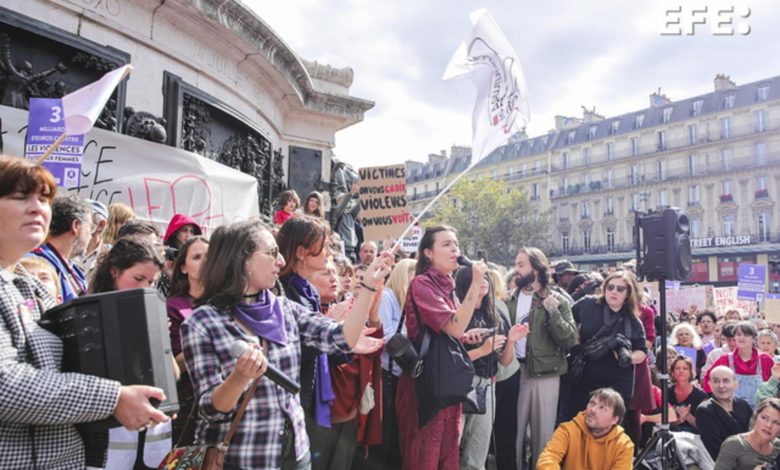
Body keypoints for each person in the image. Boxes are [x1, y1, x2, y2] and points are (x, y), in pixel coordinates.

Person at [0, 155, 168, 468]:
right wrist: (114, 397)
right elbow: (6, 386)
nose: (37, 208)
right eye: (20, 197)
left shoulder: (27, 282)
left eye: (44, 198)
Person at [181, 219, 390, 469]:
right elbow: (211, 410)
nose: (281, 261)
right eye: (271, 253)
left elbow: (341, 338)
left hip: (296, 453)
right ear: (241, 258)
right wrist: (239, 377)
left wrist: (368, 287)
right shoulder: (202, 323)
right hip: (244, 458)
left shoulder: (284, 308)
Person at [277, 215, 384, 470]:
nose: (329, 251)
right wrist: (332, 330)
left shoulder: (307, 292)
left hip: (314, 402)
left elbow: (330, 346)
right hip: (294, 405)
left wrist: (347, 341)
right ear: (302, 253)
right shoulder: (284, 291)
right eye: (323, 246)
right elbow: (292, 349)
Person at [395, 225, 488, 470]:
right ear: (428, 253)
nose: (454, 249)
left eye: (456, 244)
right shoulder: (422, 284)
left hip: (446, 385)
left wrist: (465, 336)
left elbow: (451, 333)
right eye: (446, 244)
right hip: (426, 388)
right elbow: (453, 326)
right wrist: (476, 284)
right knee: (424, 458)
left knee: (448, 457)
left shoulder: (448, 285)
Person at [85, 237, 172, 469]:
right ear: (114, 272)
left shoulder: (155, 313)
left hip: (150, 445)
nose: (145, 287)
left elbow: (173, 376)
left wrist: (161, 338)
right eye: (138, 278)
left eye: (152, 282)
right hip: (106, 446)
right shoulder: (88, 315)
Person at [509, 247, 578, 469]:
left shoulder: (557, 300)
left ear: (536, 268)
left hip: (545, 375)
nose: (516, 270)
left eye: (521, 265)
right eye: (516, 265)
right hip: (512, 372)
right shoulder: (510, 298)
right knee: (513, 436)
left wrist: (553, 312)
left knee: (543, 436)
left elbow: (569, 339)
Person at [455, 266, 528, 470]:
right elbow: (448, 360)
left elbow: (504, 362)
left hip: (487, 385)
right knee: (451, 449)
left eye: (486, 276)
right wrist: (481, 350)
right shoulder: (455, 311)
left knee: (478, 453)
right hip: (458, 385)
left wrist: (512, 341)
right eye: (477, 277)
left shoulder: (494, 313)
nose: (484, 280)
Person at [357, 259, 416, 470]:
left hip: (402, 377)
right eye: (414, 276)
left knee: (397, 437)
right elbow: (386, 336)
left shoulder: (410, 301)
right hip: (385, 376)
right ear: (403, 275)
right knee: (384, 436)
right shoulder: (389, 297)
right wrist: (415, 351)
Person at [567, 271, 648, 420]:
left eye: (620, 289)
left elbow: (642, 352)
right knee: (577, 425)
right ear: (604, 289)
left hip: (616, 383)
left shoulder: (633, 321)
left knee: (608, 429)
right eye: (610, 287)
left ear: (628, 293)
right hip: (584, 378)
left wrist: (628, 357)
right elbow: (568, 319)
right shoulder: (588, 304)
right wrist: (575, 341)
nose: (614, 292)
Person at [166, 235, 208, 446]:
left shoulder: (226, 302)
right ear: (183, 268)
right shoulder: (174, 306)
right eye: (197, 257)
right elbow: (174, 363)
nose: (206, 262)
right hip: (190, 405)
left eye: (210, 256)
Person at [536, 388, 634, 470]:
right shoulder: (567, 429)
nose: (593, 410)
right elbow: (547, 459)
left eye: (602, 408)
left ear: (614, 420)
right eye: (592, 403)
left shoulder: (624, 445)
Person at [28, 193, 92, 301]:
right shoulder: (35, 264)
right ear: (75, 226)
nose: (90, 235)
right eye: (90, 227)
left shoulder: (74, 269)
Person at [703, 321, 773, 407]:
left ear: (754, 338)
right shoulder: (725, 359)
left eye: (746, 335)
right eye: (739, 334)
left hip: (759, 413)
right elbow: (708, 379)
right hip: (732, 412)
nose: (741, 338)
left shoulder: (765, 360)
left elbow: (774, 385)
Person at [696, 365, 753, 460]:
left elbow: (753, 433)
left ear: (735, 384)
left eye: (726, 381)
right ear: (709, 384)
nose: (721, 386)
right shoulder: (705, 410)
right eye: (716, 381)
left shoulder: (742, 404)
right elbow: (715, 449)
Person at [714, 398, 780, 469]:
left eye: (776, 423)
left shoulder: (778, 446)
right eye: (764, 418)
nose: (769, 425)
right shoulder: (734, 444)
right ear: (756, 416)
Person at [667, 355, 707, 433]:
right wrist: (680, 419)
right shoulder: (666, 393)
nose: (681, 371)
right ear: (672, 373)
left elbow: (704, 428)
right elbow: (664, 423)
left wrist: (688, 416)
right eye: (677, 368)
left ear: (690, 372)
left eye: (685, 368)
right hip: (672, 435)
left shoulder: (701, 396)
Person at [74, 199, 109, 275]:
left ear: (101, 225)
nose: (75, 225)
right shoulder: (68, 251)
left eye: (83, 220)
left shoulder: (110, 257)